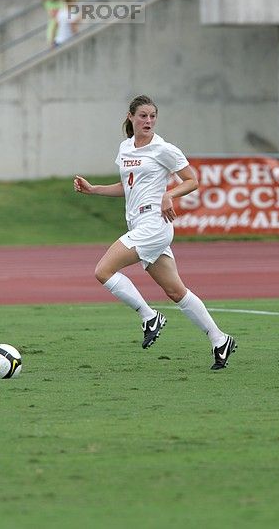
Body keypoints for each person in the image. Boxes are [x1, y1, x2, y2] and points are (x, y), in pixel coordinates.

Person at [74, 94, 236, 370]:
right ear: (131, 117)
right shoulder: (125, 148)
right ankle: (219, 339)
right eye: (143, 116)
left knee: (103, 271)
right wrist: (94, 190)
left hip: (154, 224)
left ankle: (149, 316)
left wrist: (168, 195)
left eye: (152, 116)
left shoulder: (164, 149)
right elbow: (127, 187)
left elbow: (192, 181)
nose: (148, 121)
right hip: (139, 224)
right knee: (176, 291)